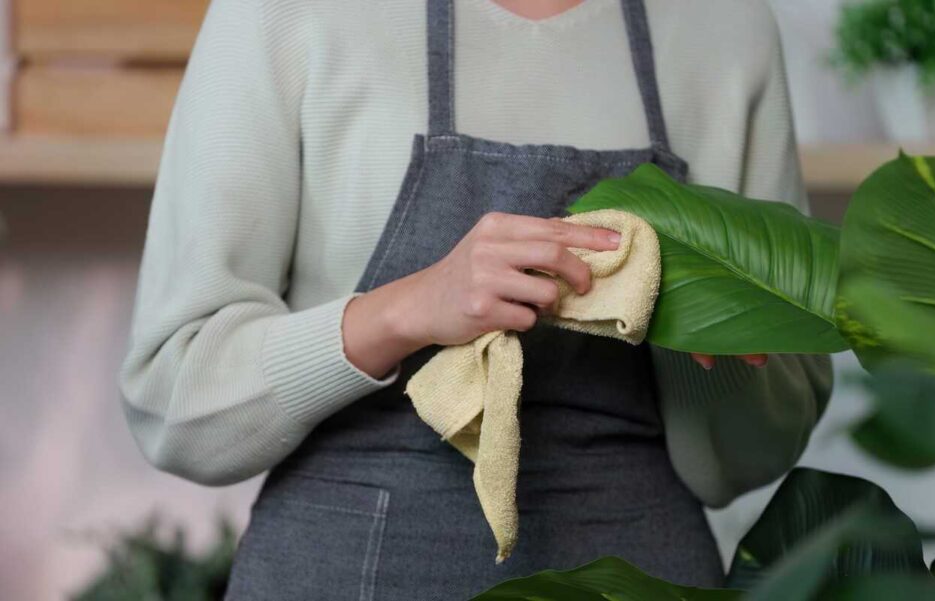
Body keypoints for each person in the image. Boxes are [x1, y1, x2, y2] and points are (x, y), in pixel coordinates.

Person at [118, 0, 833, 598]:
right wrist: (406, 309)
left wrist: (686, 318)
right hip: (344, 570)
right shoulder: (287, 12)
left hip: (643, 569)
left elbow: (740, 468)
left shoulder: (725, 25)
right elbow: (173, 395)